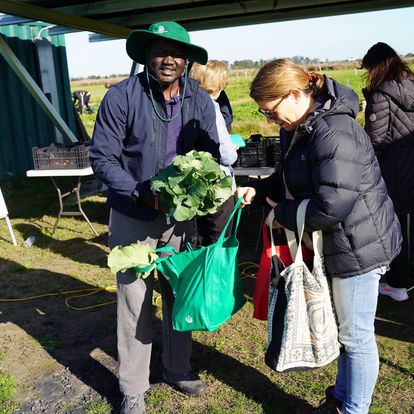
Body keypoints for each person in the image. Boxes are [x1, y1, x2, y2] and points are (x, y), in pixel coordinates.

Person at [236, 59, 402, 414]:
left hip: (359, 245)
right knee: (347, 334)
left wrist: (280, 214)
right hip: (338, 243)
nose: (269, 120)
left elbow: (332, 204)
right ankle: (341, 400)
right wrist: (260, 187)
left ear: (295, 94)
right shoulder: (299, 126)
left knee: (356, 337)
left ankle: (354, 409)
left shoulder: (333, 131)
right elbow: (291, 174)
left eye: (270, 111)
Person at [89, 21, 222, 414]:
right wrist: (139, 192)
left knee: (178, 295)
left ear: (186, 61)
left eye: (176, 53)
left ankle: (177, 368)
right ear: (147, 56)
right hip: (133, 213)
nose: (168, 59)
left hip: (180, 219)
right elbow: (102, 157)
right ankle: (133, 387)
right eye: (160, 52)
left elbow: (210, 152)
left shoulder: (198, 98)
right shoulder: (122, 97)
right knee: (134, 300)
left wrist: (201, 189)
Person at [361, 42, 414, 302]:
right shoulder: (412, 84)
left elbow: (376, 138)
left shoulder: (382, 94)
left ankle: (399, 285)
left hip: (394, 167)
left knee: (394, 225)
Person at [189, 60, 238, 244]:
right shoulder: (212, 107)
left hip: (191, 186)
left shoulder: (181, 105)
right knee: (218, 241)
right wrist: (233, 149)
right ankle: (216, 274)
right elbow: (227, 155)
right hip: (217, 187)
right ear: (218, 87)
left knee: (197, 238)